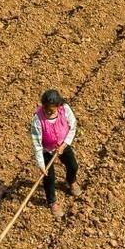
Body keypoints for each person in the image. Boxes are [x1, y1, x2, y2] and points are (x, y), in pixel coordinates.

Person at [29, 89, 81, 218]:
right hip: (47, 150)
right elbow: (37, 144)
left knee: (73, 166)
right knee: (49, 177)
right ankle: (52, 201)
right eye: (46, 109)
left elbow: (72, 126)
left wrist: (64, 144)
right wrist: (41, 164)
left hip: (63, 145)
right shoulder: (37, 120)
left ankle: (71, 181)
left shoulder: (65, 109)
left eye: (52, 110)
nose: (48, 112)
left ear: (58, 106)